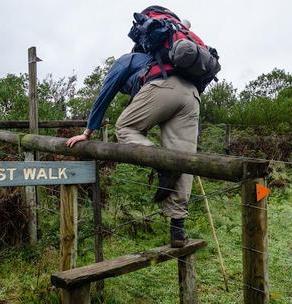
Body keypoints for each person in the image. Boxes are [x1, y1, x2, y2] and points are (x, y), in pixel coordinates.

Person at [66, 50, 200, 248]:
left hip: (164, 86)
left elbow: (105, 95)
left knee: (124, 127)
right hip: (192, 95)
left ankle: (164, 167)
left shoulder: (124, 61)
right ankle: (178, 229)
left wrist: (87, 133)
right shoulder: (161, 59)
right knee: (182, 158)